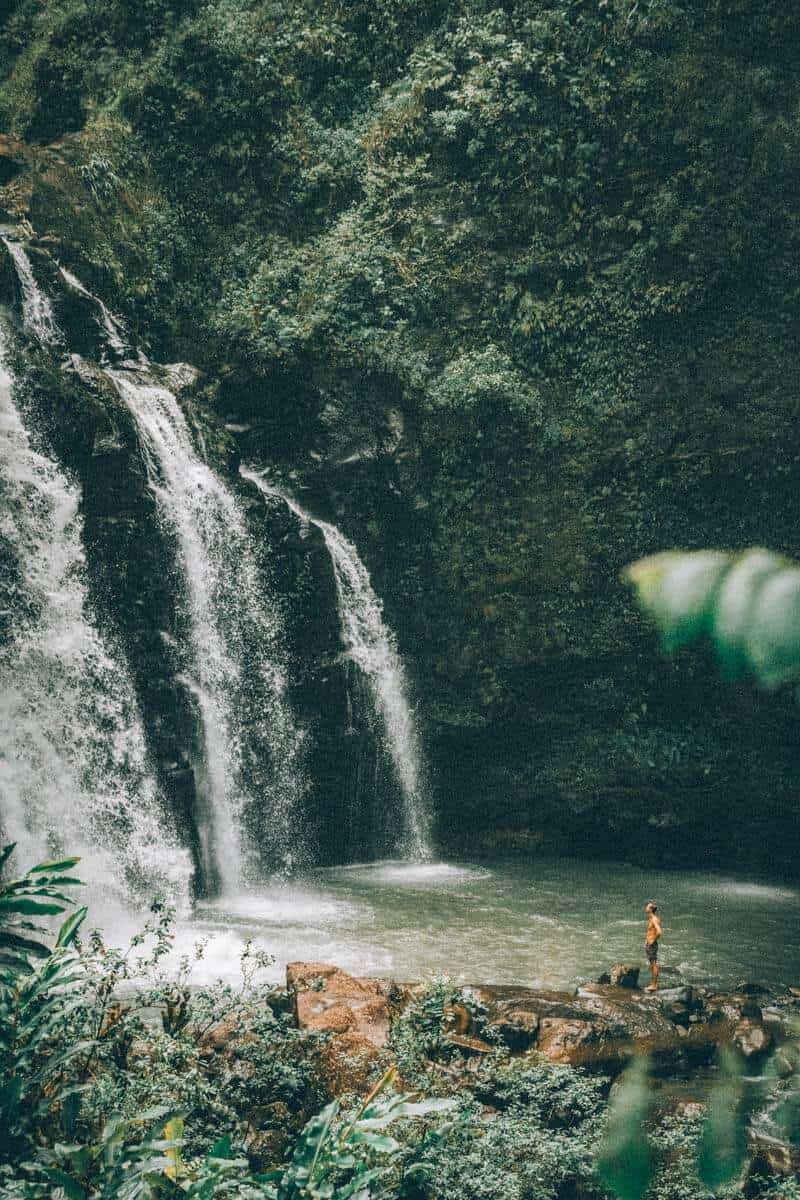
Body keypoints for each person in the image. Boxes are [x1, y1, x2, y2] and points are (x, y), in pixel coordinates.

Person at [644, 900, 662, 991]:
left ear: (650, 909)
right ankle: (654, 983)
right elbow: (651, 932)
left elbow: (659, 932)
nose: (645, 907)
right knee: (652, 964)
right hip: (650, 944)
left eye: (647, 906)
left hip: (652, 945)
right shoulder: (652, 918)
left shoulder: (654, 919)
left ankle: (654, 985)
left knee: (653, 964)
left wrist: (652, 941)